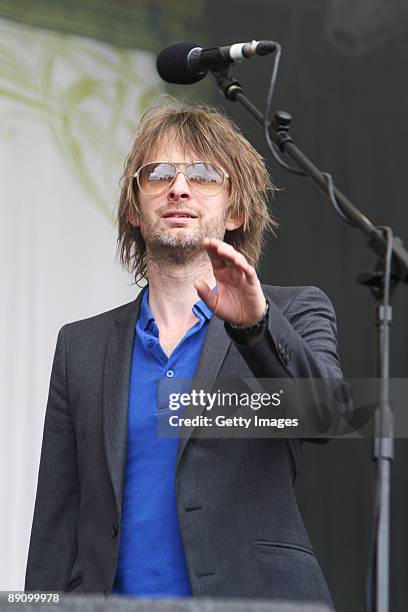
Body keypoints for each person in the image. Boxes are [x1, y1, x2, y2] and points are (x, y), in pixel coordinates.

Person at [25, 103, 342, 607]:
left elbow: (326, 417)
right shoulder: (79, 346)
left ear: (236, 210)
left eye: (203, 174)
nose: (179, 187)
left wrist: (255, 326)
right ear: (133, 206)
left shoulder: (294, 310)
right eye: (158, 174)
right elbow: (55, 521)